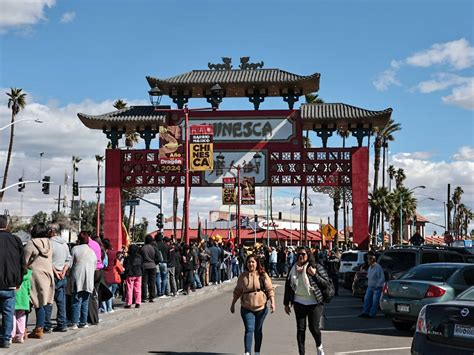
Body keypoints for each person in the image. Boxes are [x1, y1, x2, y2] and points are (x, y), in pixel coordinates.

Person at [284, 247, 330, 355]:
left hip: (314, 303)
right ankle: (301, 353)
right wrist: (286, 303)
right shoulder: (293, 269)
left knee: (314, 328)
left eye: (303, 254)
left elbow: (326, 284)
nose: (300, 256)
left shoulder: (316, 267)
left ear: (308, 256)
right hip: (299, 302)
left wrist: (314, 275)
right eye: (298, 254)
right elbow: (288, 286)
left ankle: (319, 347)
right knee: (300, 329)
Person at [230, 254, 275, 355]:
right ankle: (247, 352)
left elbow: (270, 289)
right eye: (249, 262)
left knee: (258, 330)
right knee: (249, 329)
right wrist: (233, 304)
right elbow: (237, 291)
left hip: (261, 308)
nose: (251, 264)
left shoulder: (263, 275)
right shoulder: (243, 276)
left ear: (257, 263)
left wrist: (273, 303)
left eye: (253, 262)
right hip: (246, 307)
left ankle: (257, 352)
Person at [24, 223, 54, 339]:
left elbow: (24, 261)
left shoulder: (31, 244)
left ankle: (23, 329)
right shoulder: (49, 244)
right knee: (41, 303)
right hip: (47, 276)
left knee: (27, 303)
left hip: (33, 276)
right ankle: (39, 329)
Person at [0, 215, 24, 348]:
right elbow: (22, 263)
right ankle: (5, 339)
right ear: (7, 225)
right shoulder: (16, 240)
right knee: (8, 312)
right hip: (10, 284)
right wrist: (18, 281)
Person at [44, 223, 71, 333]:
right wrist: (63, 271)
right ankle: (62, 324)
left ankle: (47, 325)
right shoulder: (64, 244)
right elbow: (69, 259)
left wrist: (55, 272)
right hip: (62, 275)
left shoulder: (49, 243)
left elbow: (47, 260)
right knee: (61, 302)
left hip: (52, 275)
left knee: (48, 301)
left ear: (50, 231)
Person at [69, 232, 97, 329]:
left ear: (79, 240)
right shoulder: (92, 251)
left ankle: (74, 322)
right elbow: (94, 266)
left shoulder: (75, 249)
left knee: (76, 300)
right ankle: (83, 322)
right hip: (89, 279)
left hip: (77, 278)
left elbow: (70, 263)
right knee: (85, 301)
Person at [359, 252, 385, 318]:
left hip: (377, 287)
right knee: (367, 300)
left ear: (372, 260)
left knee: (375, 302)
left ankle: (371, 314)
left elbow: (382, 278)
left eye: (368, 260)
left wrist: (378, 285)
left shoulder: (378, 267)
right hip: (370, 286)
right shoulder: (370, 267)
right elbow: (369, 276)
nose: (367, 261)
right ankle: (365, 312)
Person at [11, 268, 32, 343]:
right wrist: (28, 296)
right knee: (21, 317)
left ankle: (12, 335)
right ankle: (20, 335)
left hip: (14, 297)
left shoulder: (13, 273)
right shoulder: (27, 275)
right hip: (24, 299)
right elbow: (29, 287)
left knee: (12, 316)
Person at [123, 244, 143, 308]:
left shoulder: (127, 258)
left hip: (130, 274)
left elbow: (125, 266)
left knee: (129, 289)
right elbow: (142, 265)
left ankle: (129, 303)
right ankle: (138, 302)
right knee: (138, 289)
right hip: (138, 274)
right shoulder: (140, 257)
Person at [140, 235, 157, 302]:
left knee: (144, 282)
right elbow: (158, 258)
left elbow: (140, 258)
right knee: (152, 282)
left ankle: (144, 297)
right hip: (152, 266)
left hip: (144, 266)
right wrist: (154, 263)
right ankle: (152, 297)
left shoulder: (142, 248)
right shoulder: (154, 248)